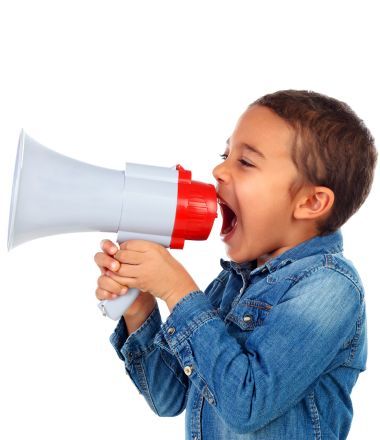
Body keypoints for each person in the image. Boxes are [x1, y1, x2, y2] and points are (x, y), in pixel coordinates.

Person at [94, 89, 377, 439]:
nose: (218, 170)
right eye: (225, 154)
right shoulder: (233, 284)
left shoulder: (330, 287)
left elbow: (247, 403)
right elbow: (169, 397)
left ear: (311, 202)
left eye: (245, 162)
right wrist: (140, 307)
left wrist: (178, 290)